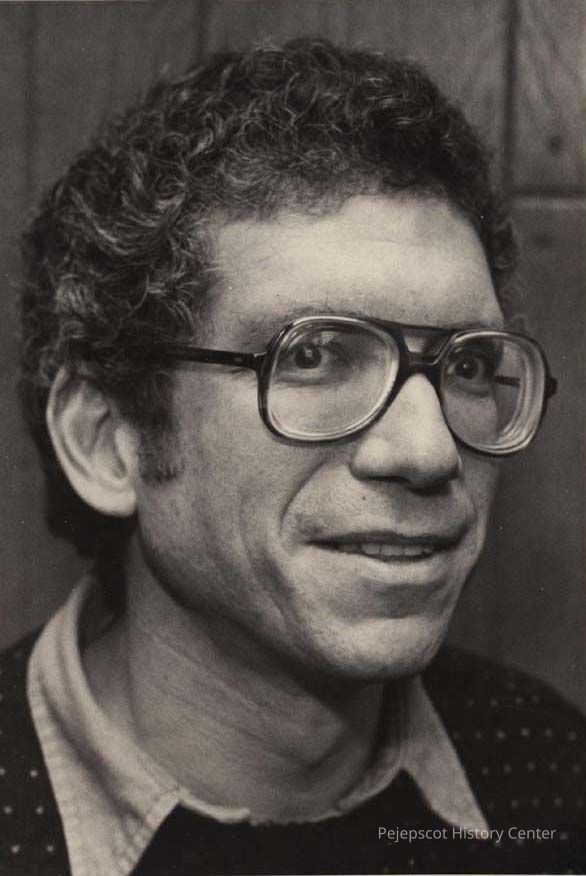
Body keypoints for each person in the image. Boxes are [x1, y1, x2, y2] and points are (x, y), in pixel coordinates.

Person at [1, 38, 584, 876]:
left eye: (464, 367)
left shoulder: (551, 776)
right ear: (107, 440)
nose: (429, 450)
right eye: (312, 355)